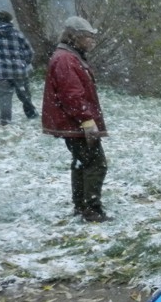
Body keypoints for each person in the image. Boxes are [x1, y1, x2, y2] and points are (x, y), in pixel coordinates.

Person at [42, 16, 110, 223]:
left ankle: (81, 206)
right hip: (76, 124)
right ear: (76, 36)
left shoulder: (68, 56)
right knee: (96, 163)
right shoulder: (66, 59)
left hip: (73, 123)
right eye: (88, 36)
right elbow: (72, 95)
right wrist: (86, 120)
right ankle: (91, 209)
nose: (92, 41)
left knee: (82, 162)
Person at [0, 10, 36, 125]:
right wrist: (25, 62)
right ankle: (31, 113)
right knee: (24, 94)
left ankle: (5, 119)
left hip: (1, 72)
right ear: (10, 20)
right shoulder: (18, 34)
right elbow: (29, 51)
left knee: (4, 97)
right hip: (19, 71)